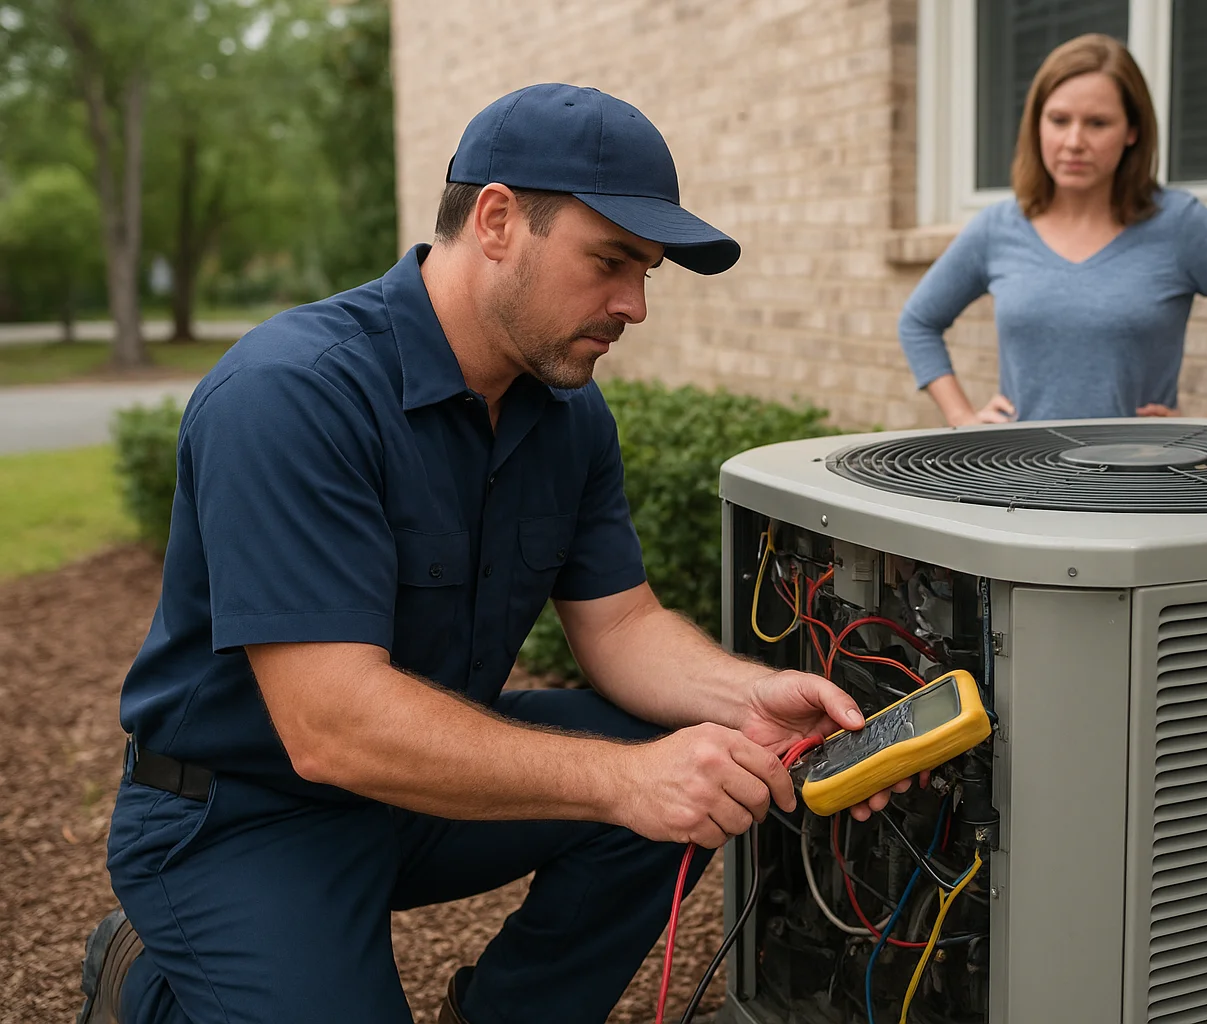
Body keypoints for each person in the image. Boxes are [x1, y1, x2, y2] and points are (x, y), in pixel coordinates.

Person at [77, 83, 908, 1024]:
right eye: (610, 262)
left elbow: (623, 623)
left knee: (696, 762)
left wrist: (744, 700)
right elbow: (331, 725)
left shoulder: (567, 413)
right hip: (240, 814)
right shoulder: (292, 395)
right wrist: (628, 782)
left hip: (420, 782)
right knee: (645, 773)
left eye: (648, 273)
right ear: (499, 219)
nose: (634, 305)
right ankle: (141, 983)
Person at [898, 34, 1207, 426]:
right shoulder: (997, 228)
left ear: (1132, 131)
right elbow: (918, 321)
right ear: (1036, 125)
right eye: (1059, 120)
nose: (1074, 141)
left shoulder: (1181, 225)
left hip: (1135, 488)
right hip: (1020, 485)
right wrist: (962, 419)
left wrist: (1205, 433)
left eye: (1098, 123)